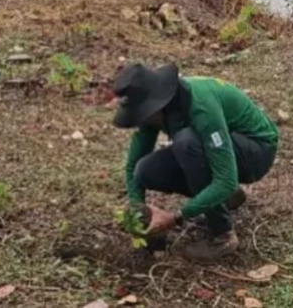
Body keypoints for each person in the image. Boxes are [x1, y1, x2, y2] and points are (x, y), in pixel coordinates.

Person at [112, 63, 279, 263]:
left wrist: (176, 217)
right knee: (145, 170)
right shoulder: (156, 114)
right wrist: (137, 209)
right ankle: (226, 197)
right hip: (221, 149)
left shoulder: (200, 107)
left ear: (154, 106)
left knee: (187, 143)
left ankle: (222, 235)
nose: (140, 121)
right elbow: (133, 166)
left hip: (256, 151)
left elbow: (225, 179)